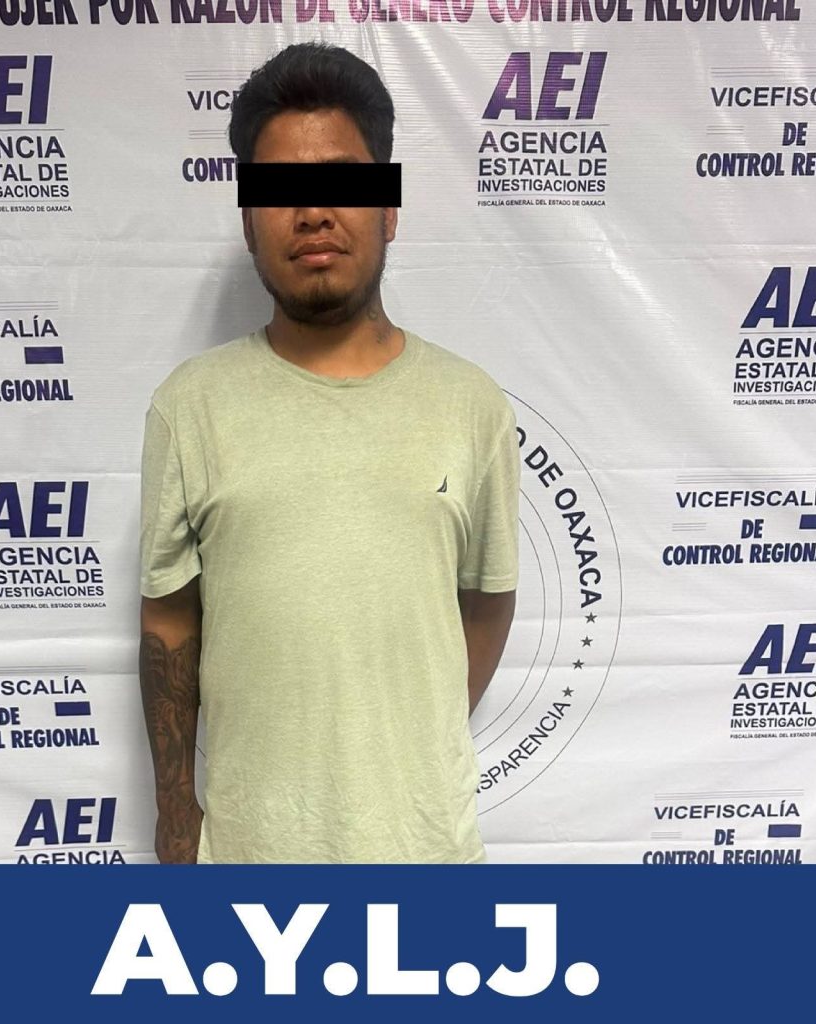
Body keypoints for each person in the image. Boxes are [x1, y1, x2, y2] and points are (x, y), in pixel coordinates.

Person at [138, 41, 520, 864]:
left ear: (389, 209)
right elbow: (169, 619)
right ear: (249, 219)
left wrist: (405, 740)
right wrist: (174, 814)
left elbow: (487, 604)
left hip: (426, 855)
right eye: (281, 190)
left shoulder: (471, 405)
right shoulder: (190, 406)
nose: (313, 212)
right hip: (250, 856)